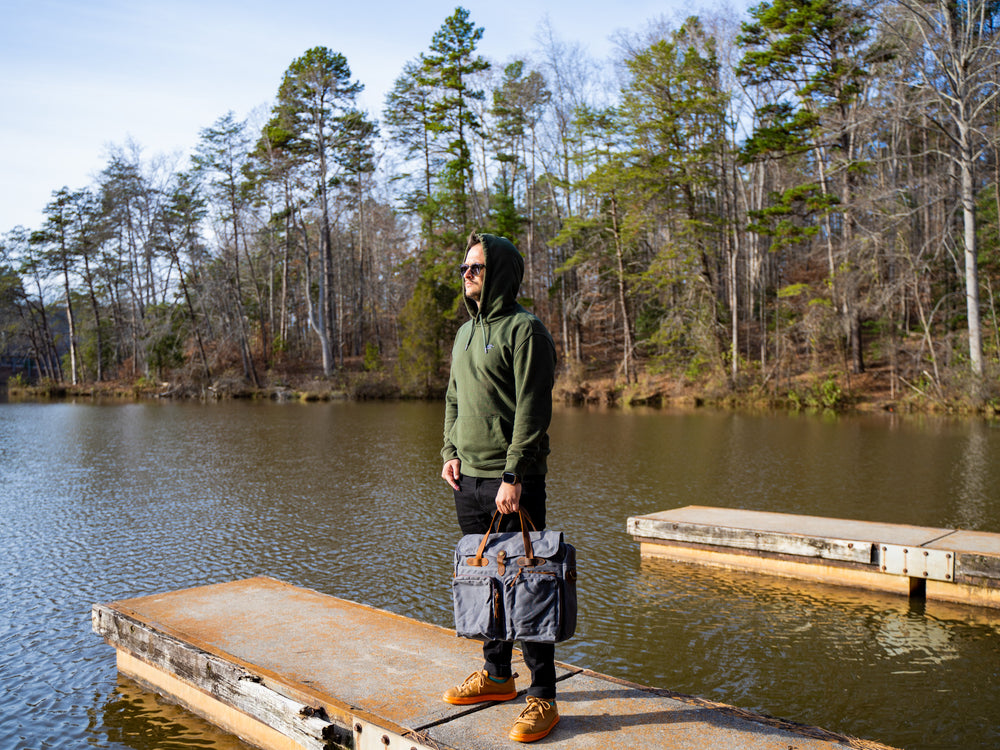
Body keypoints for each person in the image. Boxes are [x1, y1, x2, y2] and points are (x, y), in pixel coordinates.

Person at [440, 231, 559, 743]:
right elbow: (452, 399)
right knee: (485, 583)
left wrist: (513, 474)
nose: (467, 275)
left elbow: (533, 411)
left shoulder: (524, 331)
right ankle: (496, 676)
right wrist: (449, 454)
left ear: (501, 274)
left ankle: (544, 697)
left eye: (476, 268)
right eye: (464, 268)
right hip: (468, 480)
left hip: (514, 482)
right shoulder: (465, 334)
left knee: (527, 587)